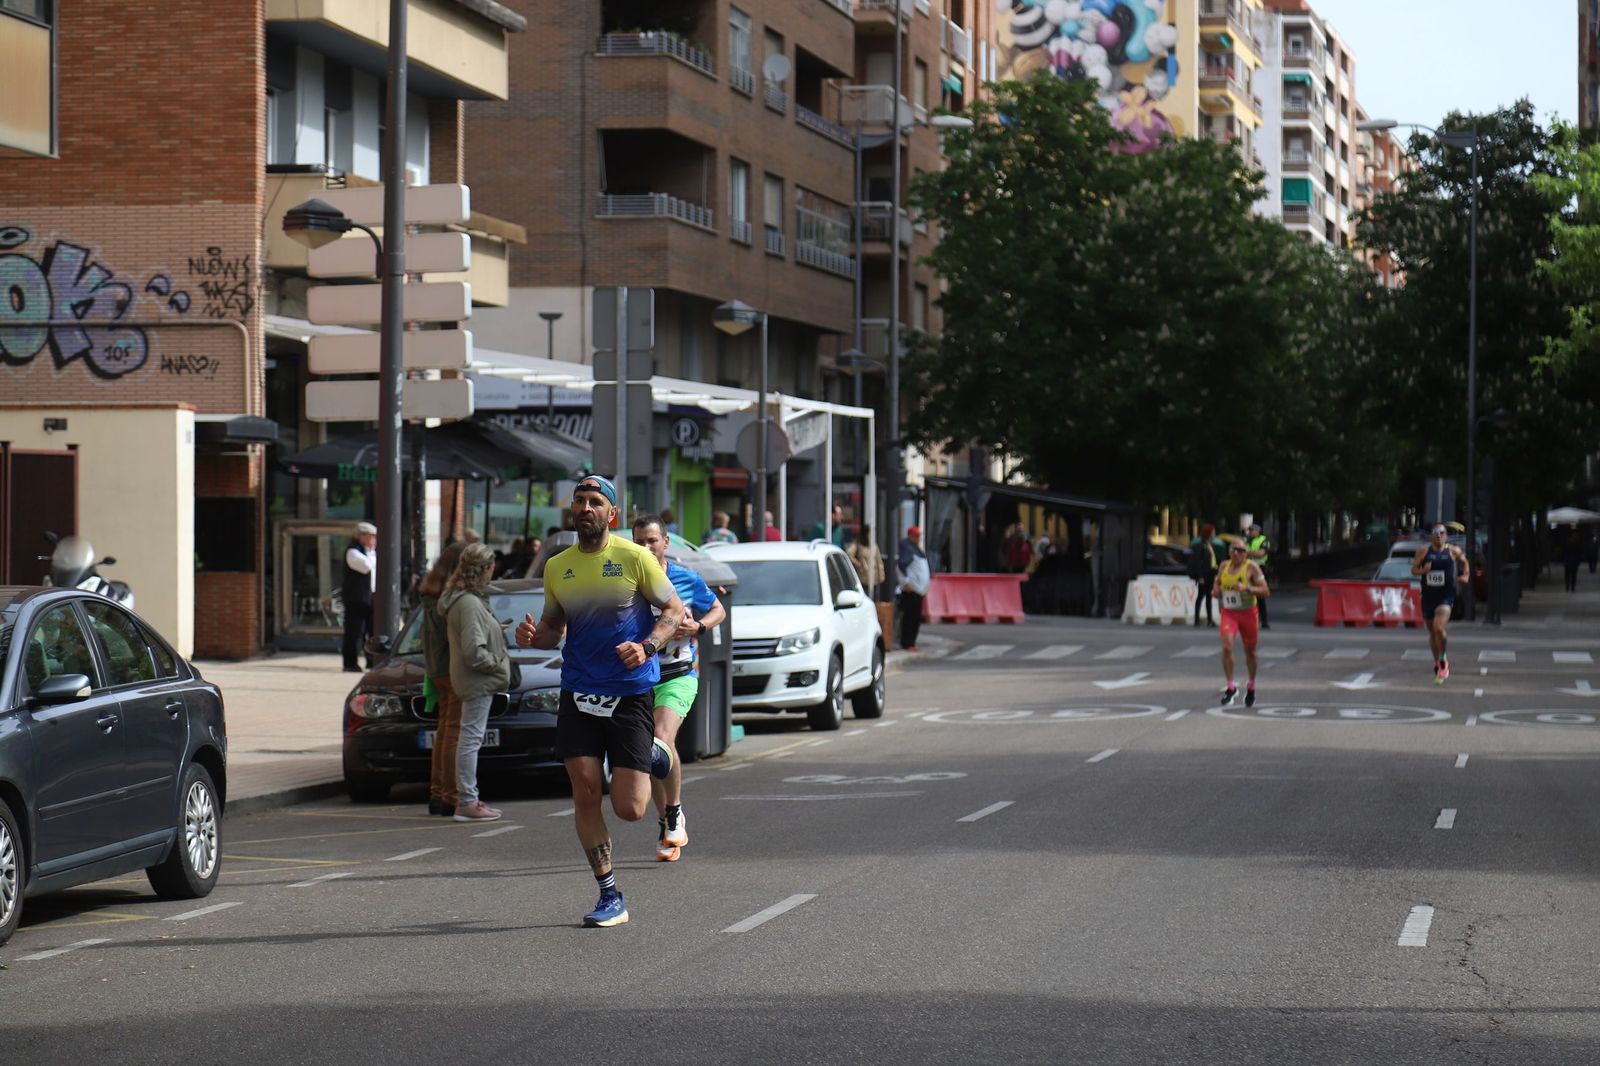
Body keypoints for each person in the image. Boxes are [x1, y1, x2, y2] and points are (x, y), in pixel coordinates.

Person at [515, 475, 685, 927]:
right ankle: (610, 894)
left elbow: (674, 613)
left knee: (629, 808)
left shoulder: (636, 558)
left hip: (628, 691)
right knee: (586, 789)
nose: (585, 507)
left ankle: (654, 754)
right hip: (578, 689)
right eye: (579, 501)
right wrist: (536, 637)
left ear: (611, 514)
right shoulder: (557, 566)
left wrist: (647, 647)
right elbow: (554, 627)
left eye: (595, 502)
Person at [631, 515, 725, 862]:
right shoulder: (627, 583)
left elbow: (717, 609)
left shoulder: (686, 578)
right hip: (639, 679)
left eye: (651, 541)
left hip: (679, 675)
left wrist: (697, 626)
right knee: (649, 752)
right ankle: (666, 819)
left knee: (661, 737)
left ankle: (673, 812)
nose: (645, 547)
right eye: (638, 541)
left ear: (665, 542)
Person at [439, 543, 510, 822]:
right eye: (491, 568)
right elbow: (472, 650)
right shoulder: (468, 602)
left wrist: (494, 630)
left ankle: (469, 799)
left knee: (469, 738)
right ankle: (467, 801)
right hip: (478, 679)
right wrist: (496, 663)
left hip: (473, 679)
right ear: (483, 569)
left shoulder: (464, 599)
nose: (493, 574)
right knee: (470, 739)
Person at [419, 541, 469, 817]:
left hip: (436, 668)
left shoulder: (430, 594)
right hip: (453, 667)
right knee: (454, 732)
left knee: (444, 731)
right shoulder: (451, 598)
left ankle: (438, 793)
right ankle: (450, 795)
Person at [1213, 539, 1269, 706]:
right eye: (1232, 550)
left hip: (1248, 614)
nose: (1235, 553)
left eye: (1239, 550)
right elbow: (1218, 582)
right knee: (1227, 646)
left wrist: (1248, 589)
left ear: (1246, 553)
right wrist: (1216, 589)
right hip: (1229, 612)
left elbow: (1266, 591)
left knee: (1250, 651)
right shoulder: (1224, 566)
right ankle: (1231, 687)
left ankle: (1251, 685)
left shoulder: (1252, 568)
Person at [1411, 523, 1469, 682]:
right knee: (1432, 632)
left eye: (1442, 532)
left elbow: (1465, 562)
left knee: (1439, 627)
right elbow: (1413, 570)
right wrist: (1423, 571)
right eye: (1436, 532)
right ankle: (1437, 662)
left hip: (1446, 596)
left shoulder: (1453, 551)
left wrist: (1466, 575)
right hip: (1428, 596)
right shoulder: (1423, 551)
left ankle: (1443, 659)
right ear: (1431, 535)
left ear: (1446, 535)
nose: (1438, 535)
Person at [341, 521, 377, 672]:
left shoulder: (371, 552)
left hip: (370, 597)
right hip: (356, 599)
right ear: (361, 537)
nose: (374, 540)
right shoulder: (353, 552)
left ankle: (372, 660)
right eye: (371, 537)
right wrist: (371, 554)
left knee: (372, 631)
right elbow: (366, 567)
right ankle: (350, 663)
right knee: (354, 632)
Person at [897, 525, 931, 652]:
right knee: (910, 617)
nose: (918, 538)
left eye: (919, 536)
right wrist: (906, 582)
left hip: (918, 590)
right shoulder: (907, 548)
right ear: (910, 536)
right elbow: (900, 566)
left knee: (915, 617)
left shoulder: (915, 549)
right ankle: (907, 642)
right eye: (916, 536)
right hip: (912, 590)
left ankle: (911, 642)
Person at [1187, 523, 1220, 627]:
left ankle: (1209, 619)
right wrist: (1200, 576)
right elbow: (1198, 562)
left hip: (1210, 574)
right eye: (1213, 532)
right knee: (1201, 596)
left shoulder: (1208, 545)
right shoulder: (1200, 546)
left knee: (1208, 597)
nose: (1214, 533)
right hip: (1204, 575)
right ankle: (1197, 619)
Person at [1245, 523, 1272, 629]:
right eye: (1249, 530)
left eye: (1252, 530)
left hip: (1259, 569)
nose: (1250, 532)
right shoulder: (1246, 540)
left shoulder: (1263, 540)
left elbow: (1261, 553)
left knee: (1260, 595)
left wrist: (1248, 552)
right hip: (1247, 568)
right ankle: (1249, 620)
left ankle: (1264, 621)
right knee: (1247, 594)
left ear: (1258, 531)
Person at [847, 523, 886, 595]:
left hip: (874, 577)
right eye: (870, 534)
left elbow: (879, 560)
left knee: (874, 597)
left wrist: (881, 575)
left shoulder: (874, 545)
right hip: (863, 577)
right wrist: (859, 564)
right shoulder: (858, 543)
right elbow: (849, 554)